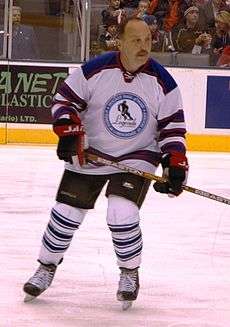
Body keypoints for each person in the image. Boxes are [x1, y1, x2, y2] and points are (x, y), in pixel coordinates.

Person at [23, 17, 188, 308]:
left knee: (121, 211)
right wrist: (69, 132)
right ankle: (46, 266)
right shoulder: (95, 70)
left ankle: (129, 272)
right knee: (66, 212)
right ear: (120, 42)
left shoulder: (163, 81)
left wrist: (175, 162)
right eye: (136, 40)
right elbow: (64, 102)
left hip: (138, 155)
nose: (143, 46)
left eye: (148, 40)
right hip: (93, 153)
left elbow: (173, 128)